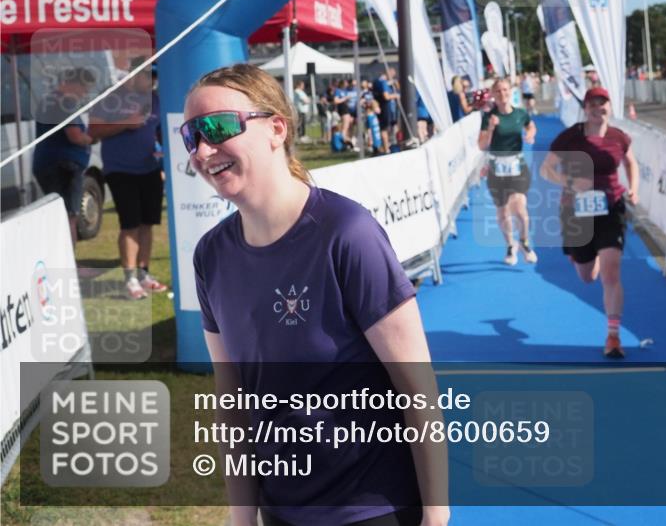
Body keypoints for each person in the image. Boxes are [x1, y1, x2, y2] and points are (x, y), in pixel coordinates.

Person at [182, 64, 448, 526]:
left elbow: (416, 387)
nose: (204, 149)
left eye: (218, 126)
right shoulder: (211, 255)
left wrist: (436, 515)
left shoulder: (347, 233)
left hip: (373, 509)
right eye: (191, 135)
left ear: (276, 129)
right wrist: (243, 516)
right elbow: (234, 400)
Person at [540, 86, 639, 359]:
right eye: (593, 104)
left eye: (603, 103)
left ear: (610, 106)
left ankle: (613, 336)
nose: (599, 108)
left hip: (611, 208)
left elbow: (631, 164)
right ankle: (580, 256)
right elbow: (545, 169)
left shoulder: (619, 137)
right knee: (588, 277)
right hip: (576, 211)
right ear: (585, 108)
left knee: (611, 272)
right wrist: (570, 182)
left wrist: (634, 188)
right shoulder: (571, 137)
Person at [89, 62, 168, 299]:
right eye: (148, 76)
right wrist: (125, 123)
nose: (152, 81)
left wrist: (163, 150)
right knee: (130, 224)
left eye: (154, 76)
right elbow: (93, 130)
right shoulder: (111, 98)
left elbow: (161, 130)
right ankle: (130, 279)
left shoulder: (155, 99)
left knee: (147, 223)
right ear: (133, 76)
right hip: (120, 171)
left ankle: (144, 274)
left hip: (150, 169)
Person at [477, 77, 538, 266]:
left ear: (511, 92)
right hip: (497, 170)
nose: (502, 94)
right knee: (503, 212)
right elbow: (481, 145)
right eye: (498, 91)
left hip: (517, 168)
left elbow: (530, 125)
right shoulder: (489, 117)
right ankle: (510, 245)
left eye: (505, 90)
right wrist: (491, 127)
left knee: (519, 207)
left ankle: (525, 242)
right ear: (493, 95)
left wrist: (530, 134)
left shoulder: (519, 114)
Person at [32, 68, 95, 247]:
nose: (85, 93)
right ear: (73, 84)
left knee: (60, 215)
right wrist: (92, 138)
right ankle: (69, 261)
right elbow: (75, 136)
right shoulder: (65, 102)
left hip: (48, 164)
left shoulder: (48, 100)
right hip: (64, 167)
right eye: (84, 88)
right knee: (70, 216)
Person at [373, 69, 400, 153]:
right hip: (386, 109)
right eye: (392, 75)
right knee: (385, 128)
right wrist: (396, 95)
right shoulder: (382, 82)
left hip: (388, 109)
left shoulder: (380, 82)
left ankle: (389, 146)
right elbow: (386, 96)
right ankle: (387, 148)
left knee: (391, 127)